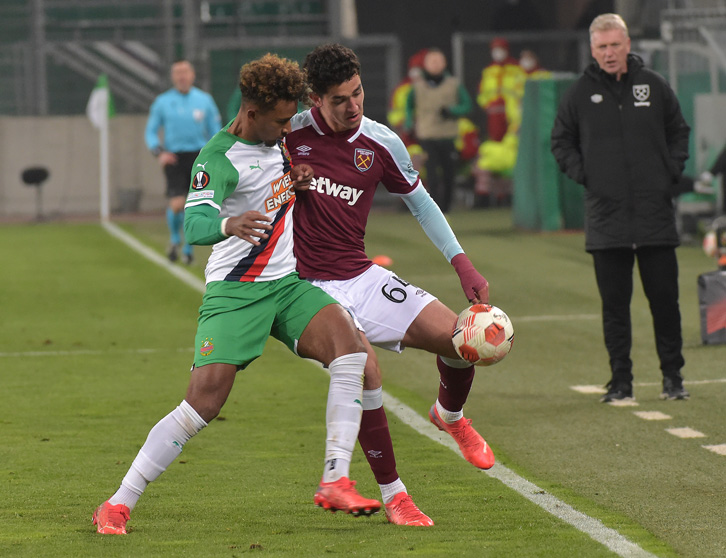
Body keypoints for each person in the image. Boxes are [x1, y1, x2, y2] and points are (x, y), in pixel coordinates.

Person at [93, 53, 381, 535]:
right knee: (202, 405)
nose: (289, 127)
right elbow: (195, 222)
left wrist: (297, 181)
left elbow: (275, 181)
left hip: (287, 286)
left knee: (351, 351)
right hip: (236, 292)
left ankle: (335, 478)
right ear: (252, 114)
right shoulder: (218, 157)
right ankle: (118, 503)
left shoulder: (280, 139)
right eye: (281, 120)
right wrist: (229, 223)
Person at [286, 43, 493, 527]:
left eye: (358, 93)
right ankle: (395, 495)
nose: (353, 106)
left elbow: (421, 204)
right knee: (365, 369)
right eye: (339, 99)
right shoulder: (288, 136)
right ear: (315, 99)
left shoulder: (380, 141)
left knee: (461, 339)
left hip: (359, 273)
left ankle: (450, 415)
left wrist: (462, 264)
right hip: (308, 287)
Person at [551, 13, 691, 402]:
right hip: (606, 218)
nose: (609, 53)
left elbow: (679, 131)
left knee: (665, 302)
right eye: (602, 47)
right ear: (592, 50)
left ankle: (673, 379)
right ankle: (621, 382)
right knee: (615, 308)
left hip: (655, 215)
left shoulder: (655, 86)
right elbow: (561, 142)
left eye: (615, 45)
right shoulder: (578, 94)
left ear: (628, 45)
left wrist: (669, 170)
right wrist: (588, 175)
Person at [145, 59, 222, 265]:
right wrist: (159, 152)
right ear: (173, 77)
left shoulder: (204, 100)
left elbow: (216, 132)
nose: (182, 76)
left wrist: (215, 154)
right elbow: (151, 131)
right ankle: (174, 239)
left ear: (192, 75)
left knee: (194, 206)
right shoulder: (163, 102)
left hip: (199, 158)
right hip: (174, 158)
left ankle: (188, 249)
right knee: (177, 204)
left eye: (185, 72)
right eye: (177, 72)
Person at [404, 48, 473, 213]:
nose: (435, 65)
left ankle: (446, 209)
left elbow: (467, 105)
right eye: (431, 61)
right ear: (425, 65)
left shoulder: (453, 84)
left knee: (449, 175)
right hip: (427, 135)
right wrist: (408, 122)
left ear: (444, 63)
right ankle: (435, 211)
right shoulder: (418, 87)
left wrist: (452, 111)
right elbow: (408, 105)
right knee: (432, 176)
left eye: (438, 61)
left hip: (448, 136)